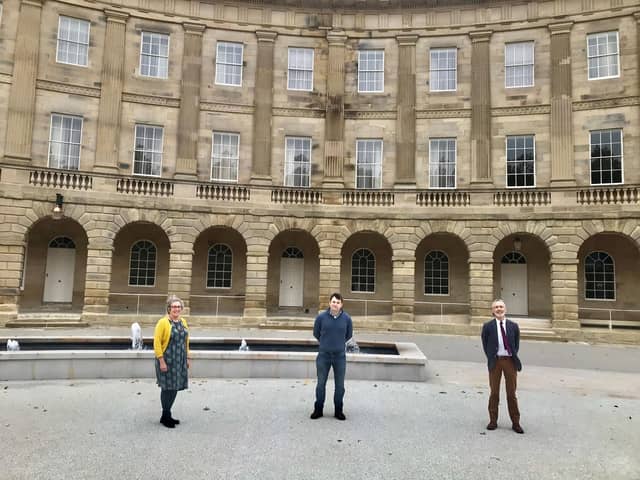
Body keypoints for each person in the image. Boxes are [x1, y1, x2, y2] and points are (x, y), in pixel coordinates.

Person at [481, 299, 524, 434]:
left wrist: (512, 355)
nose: (499, 309)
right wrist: (491, 357)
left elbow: (516, 344)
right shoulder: (488, 326)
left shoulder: (513, 326)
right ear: (492, 310)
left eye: (501, 307)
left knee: (511, 393)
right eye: (496, 307)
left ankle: (516, 422)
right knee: (494, 393)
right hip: (495, 361)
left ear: (505, 309)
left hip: (510, 361)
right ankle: (493, 421)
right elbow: (485, 344)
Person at [310, 292, 353, 421]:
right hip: (324, 356)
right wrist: (326, 344)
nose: (335, 304)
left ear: (341, 305)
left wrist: (337, 345)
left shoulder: (347, 319)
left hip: (340, 357)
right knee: (320, 384)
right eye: (333, 302)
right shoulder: (321, 317)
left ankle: (338, 410)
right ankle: (318, 409)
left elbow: (348, 335)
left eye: (338, 302)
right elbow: (316, 333)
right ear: (329, 303)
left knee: (340, 385)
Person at [153, 295, 192, 429]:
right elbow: (157, 342)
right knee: (167, 388)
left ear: (181, 309)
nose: (176, 309)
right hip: (167, 360)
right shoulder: (163, 322)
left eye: (178, 307)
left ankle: (167, 414)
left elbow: (186, 341)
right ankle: (165, 415)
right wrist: (161, 361)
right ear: (169, 308)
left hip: (179, 360)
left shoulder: (183, 322)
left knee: (175, 387)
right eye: (174, 307)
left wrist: (187, 357)